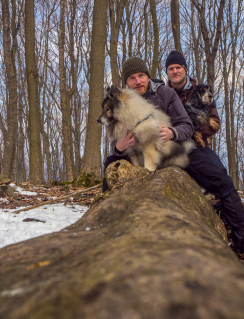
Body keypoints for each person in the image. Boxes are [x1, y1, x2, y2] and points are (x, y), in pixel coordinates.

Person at [165, 50, 244, 255]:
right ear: (167, 72)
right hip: (174, 147)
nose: (175, 71)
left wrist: (193, 128)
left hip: (198, 146)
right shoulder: (164, 94)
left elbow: (214, 123)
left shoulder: (201, 91)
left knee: (221, 177)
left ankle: (239, 237)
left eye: (178, 67)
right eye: (171, 68)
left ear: (185, 70)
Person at [102, 56, 193, 188]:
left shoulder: (166, 93)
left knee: (210, 170)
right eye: (132, 78)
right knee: (111, 163)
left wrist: (172, 132)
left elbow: (187, 125)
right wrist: (118, 147)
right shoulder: (119, 101)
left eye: (141, 75)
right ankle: (109, 204)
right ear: (127, 82)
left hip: (168, 150)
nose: (138, 81)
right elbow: (115, 135)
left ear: (148, 77)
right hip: (134, 153)